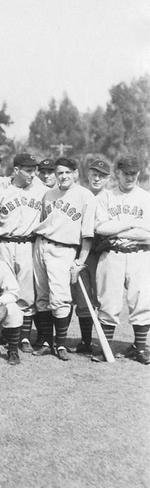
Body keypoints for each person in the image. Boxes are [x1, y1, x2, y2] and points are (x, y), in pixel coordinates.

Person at [31, 157, 94, 361]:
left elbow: (87, 234)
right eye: (60, 173)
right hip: (41, 244)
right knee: (42, 297)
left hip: (64, 249)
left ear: (76, 173)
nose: (63, 176)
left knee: (60, 298)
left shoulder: (85, 196)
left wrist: (80, 260)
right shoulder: (48, 194)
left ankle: (61, 344)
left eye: (68, 172)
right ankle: (47, 342)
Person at [92, 155, 150, 364]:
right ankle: (105, 348)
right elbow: (101, 228)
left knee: (142, 300)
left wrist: (118, 229)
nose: (130, 177)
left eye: (134, 173)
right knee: (108, 301)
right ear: (117, 173)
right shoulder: (106, 197)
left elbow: (148, 234)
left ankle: (141, 348)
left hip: (140, 254)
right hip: (113, 254)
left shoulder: (146, 197)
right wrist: (130, 225)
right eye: (126, 173)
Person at [0, 153, 48, 352]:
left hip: (28, 244)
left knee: (26, 292)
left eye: (34, 169)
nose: (32, 174)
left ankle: (24, 337)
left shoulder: (42, 190)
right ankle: (8, 335)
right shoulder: (1, 188)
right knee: (5, 290)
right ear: (16, 170)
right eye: (28, 170)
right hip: (4, 243)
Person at [70, 158, 110, 353]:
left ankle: (104, 342)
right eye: (94, 174)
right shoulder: (81, 195)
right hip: (81, 250)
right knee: (82, 296)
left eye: (101, 176)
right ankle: (86, 341)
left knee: (103, 297)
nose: (97, 178)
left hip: (103, 252)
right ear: (88, 175)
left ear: (108, 179)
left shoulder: (110, 197)